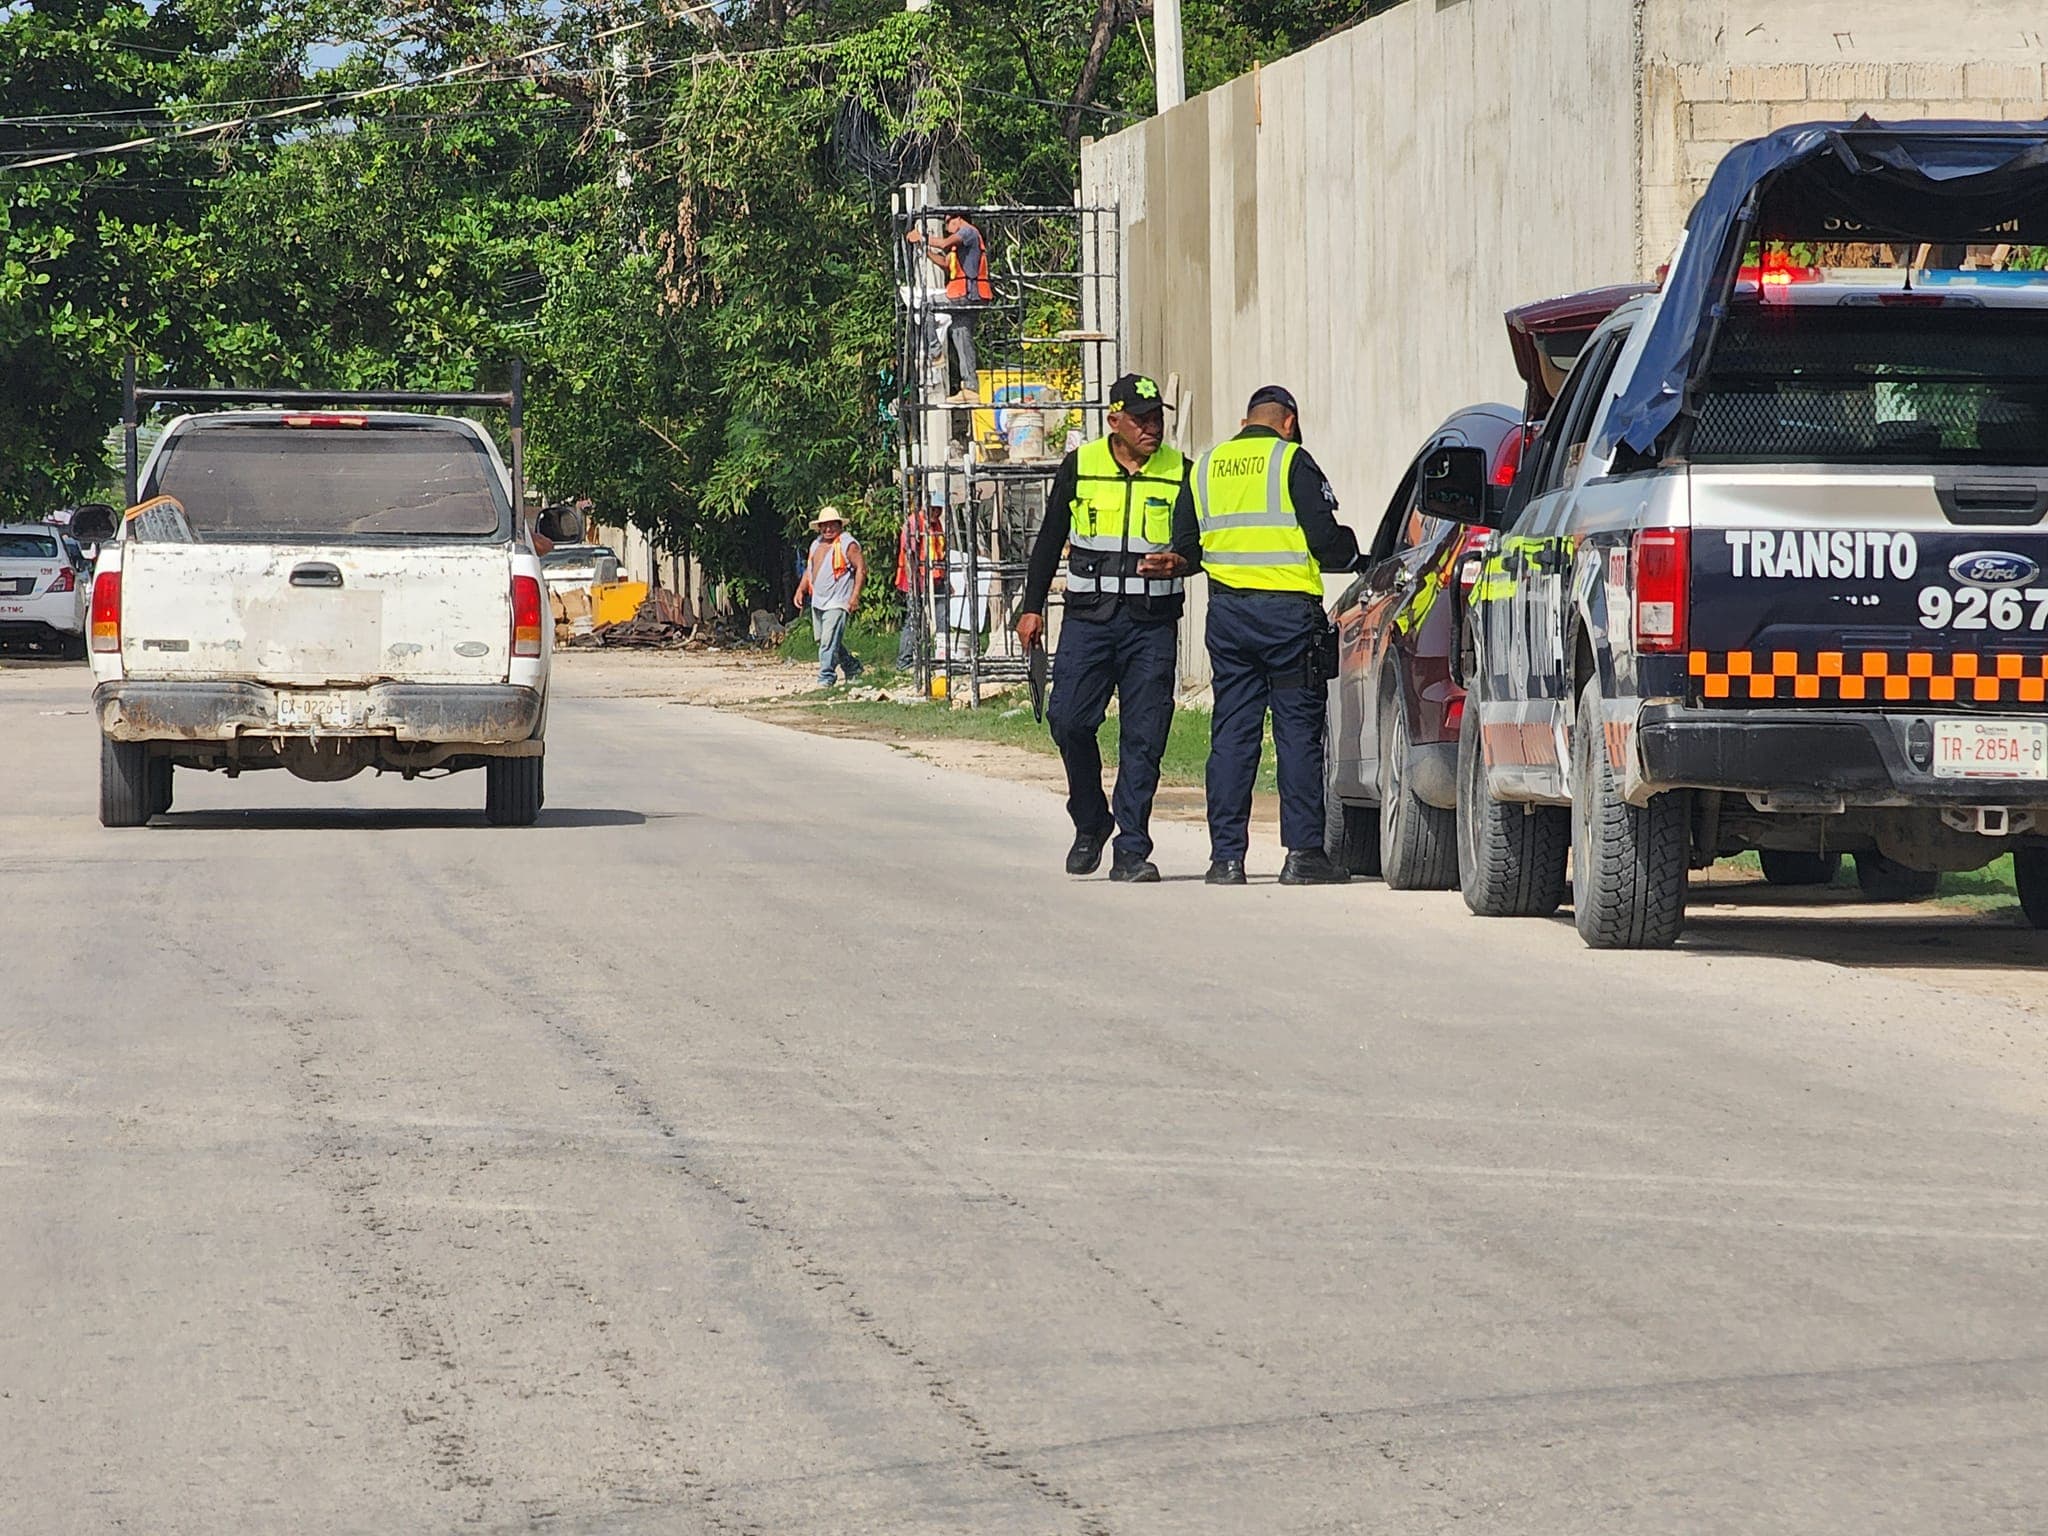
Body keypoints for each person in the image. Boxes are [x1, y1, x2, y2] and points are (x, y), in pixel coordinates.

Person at [1174, 385, 1361, 887]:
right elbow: (1325, 542)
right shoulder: (1291, 461)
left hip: (1229, 616)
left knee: (1232, 734)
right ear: (1289, 421)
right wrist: (1355, 553)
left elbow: (1185, 548)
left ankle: (1226, 860)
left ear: (1245, 420)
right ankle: (1303, 856)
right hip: (1288, 618)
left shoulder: (1206, 466)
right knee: (1297, 735)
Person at [1016, 373, 1193, 883]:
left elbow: (1196, 548)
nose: (1152, 429)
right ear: (1114, 421)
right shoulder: (1081, 465)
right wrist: (1031, 607)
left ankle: (1132, 849)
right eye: (1141, 420)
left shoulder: (1181, 472)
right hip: (1089, 621)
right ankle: (1091, 820)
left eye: (1157, 418)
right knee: (1068, 720)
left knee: (1144, 738)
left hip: (1151, 626)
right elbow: (1050, 538)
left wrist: (1179, 563)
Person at [906, 213, 992, 404]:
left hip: (966, 293)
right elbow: (946, 264)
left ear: (958, 219)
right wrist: (924, 249)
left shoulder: (968, 232)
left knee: (924, 305)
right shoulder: (960, 246)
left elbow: (944, 243)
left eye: (947, 223)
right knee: (960, 332)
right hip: (972, 295)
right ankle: (971, 387)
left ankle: (935, 352)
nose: (947, 227)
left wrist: (922, 237)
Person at [795, 507, 866, 688]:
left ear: (839, 525)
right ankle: (851, 666)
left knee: (828, 641)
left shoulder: (848, 544)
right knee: (825, 639)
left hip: (838, 600)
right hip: (819, 600)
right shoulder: (816, 544)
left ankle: (826, 677)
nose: (828, 529)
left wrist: (854, 596)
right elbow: (809, 570)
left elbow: (861, 569)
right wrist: (801, 589)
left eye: (832, 525)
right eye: (824, 526)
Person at [894, 495, 947, 669]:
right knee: (914, 619)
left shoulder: (936, 523)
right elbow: (909, 555)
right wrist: (913, 584)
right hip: (918, 579)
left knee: (942, 618)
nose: (936, 512)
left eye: (939, 509)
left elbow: (939, 552)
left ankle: (941, 657)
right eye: (933, 508)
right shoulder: (914, 524)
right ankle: (905, 661)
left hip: (936, 578)